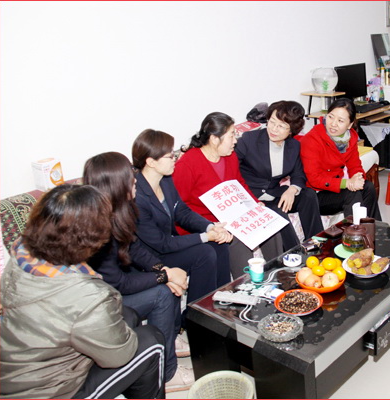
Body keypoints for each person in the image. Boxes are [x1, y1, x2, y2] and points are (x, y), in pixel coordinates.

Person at [0, 184, 166, 399]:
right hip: (49, 391)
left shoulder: (21, 252)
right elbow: (119, 356)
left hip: (14, 370)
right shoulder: (87, 295)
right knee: (151, 340)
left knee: (129, 315)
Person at [83, 152, 194, 393]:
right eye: (130, 176)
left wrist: (164, 270)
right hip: (100, 302)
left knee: (170, 283)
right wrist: (165, 277)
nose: (135, 180)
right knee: (163, 294)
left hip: (113, 288)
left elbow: (135, 248)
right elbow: (118, 283)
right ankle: (167, 373)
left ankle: (169, 339)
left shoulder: (119, 210)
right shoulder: (94, 226)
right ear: (115, 184)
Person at [172, 112, 283, 278]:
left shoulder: (230, 157)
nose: (235, 141)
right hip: (204, 223)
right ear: (214, 139)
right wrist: (209, 225)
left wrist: (254, 203)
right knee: (237, 238)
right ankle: (246, 284)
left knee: (269, 226)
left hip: (233, 215)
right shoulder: (188, 163)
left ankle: (278, 272)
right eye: (231, 136)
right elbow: (179, 206)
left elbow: (239, 185)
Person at [132, 129, 233, 307]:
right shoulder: (137, 197)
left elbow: (182, 212)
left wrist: (210, 227)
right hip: (152, 258)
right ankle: (198, 310)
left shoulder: (165, 180)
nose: (176, 158)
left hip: (168, 244)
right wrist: (205, 237)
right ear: (151, 162)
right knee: (205, 253)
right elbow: (162, 244)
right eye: (170, 156)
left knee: (219, 245)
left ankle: (223, 298)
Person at [235, 100, 323, 250]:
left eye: (281, 126)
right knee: (278, 212)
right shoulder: (250, 140)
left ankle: (316, 244)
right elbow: (230, 168)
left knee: (308, 194)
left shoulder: (293, 146)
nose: (274, 129)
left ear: (291, 130)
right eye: (272, 122)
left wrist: (292, 190)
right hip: (251, 196)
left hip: (274, 193)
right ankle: (295, 254)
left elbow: (298, 174)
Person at [299, 97, 382, 221]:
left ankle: (375, 229)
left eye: (340, 121)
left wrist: (357, 178)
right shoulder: (312, 139)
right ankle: (354, 232)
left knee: (368, 187)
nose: (333, 124)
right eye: (330, 117)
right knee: (351, 194)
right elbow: (314, 179)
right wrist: (347, 183)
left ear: (350, 125)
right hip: (314, 194)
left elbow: (355, 166)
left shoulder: (350, 139)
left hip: (333, 188)